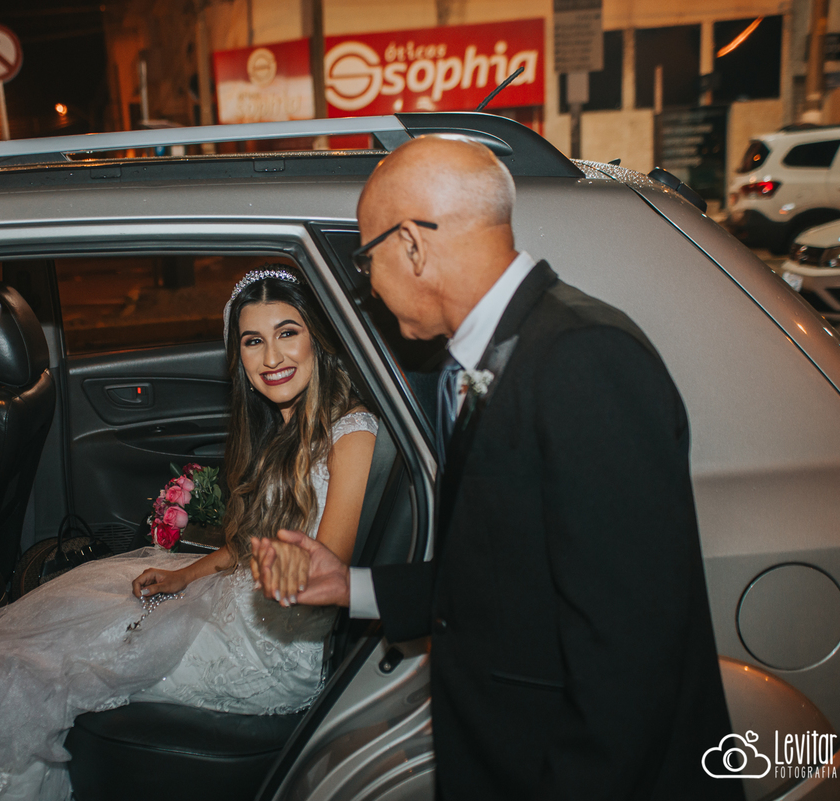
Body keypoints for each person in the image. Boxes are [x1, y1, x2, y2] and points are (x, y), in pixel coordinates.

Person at [253, 137, 744, 800]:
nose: (367, 283)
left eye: (367, 258)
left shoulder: (583, 360)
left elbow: (628, 656)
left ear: (412, 246)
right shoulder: (487, 359)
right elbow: (504, 574)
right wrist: (349, 586)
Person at [0, 269, 378, 801]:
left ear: (317, 339)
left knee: (35, 668)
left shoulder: (350, 431)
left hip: (270, 650)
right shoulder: (277, 428)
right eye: (253, 341)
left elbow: (327, 567)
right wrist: (186, 574)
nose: (272, 358)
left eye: (288, 333)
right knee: (34, 635)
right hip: (237, 601)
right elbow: (248, 544)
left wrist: (290, 570)